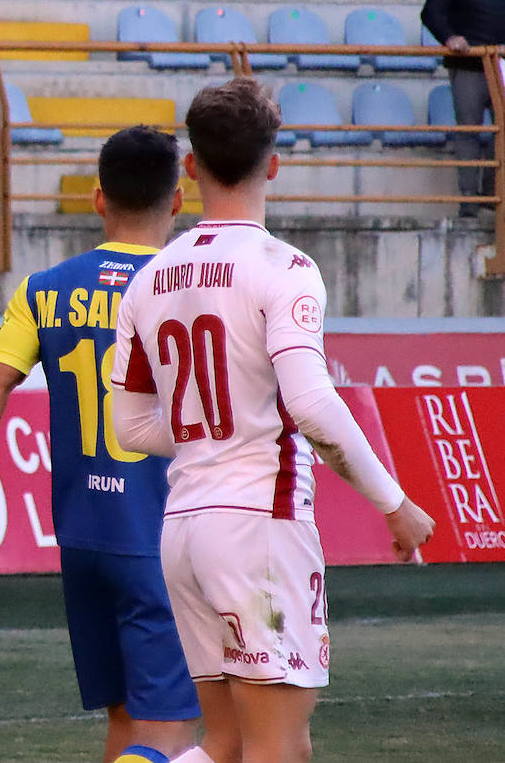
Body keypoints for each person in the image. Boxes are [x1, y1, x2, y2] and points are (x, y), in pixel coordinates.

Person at [109, 78, 436, 763]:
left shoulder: (149, 279)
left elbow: (131, 430)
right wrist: (394, 502)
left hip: (185, 530)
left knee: (226, 743)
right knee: (279, 748)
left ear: (191, 167)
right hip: (258, 525)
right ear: (276, 164)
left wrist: (217, 424)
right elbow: (312, 404)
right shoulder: (283, 269)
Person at [0, 127, 199, 763]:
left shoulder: (43, 288)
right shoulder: (191, 291)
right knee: (168, 737)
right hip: (160, 537)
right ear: (178, 200)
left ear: (97, 199)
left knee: (125, 727)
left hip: (82, 540)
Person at [421, 0, 505, 218]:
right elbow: (431, 11)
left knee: (503, 133)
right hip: (468, 67)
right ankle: (469, 200)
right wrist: (449, 37)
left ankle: (495, 196)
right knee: (469, 131)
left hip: (501, 66)